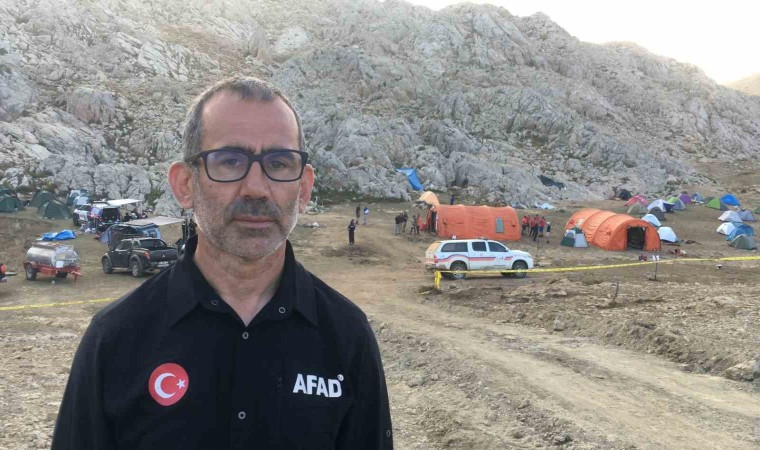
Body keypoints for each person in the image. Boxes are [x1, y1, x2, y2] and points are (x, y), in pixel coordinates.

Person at [52, 77, 393, 450]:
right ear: (185, 184)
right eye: (230, 161)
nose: (256, 188)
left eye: (279, 163)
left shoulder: (348, 336)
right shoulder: (114, 340)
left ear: (304, 188)